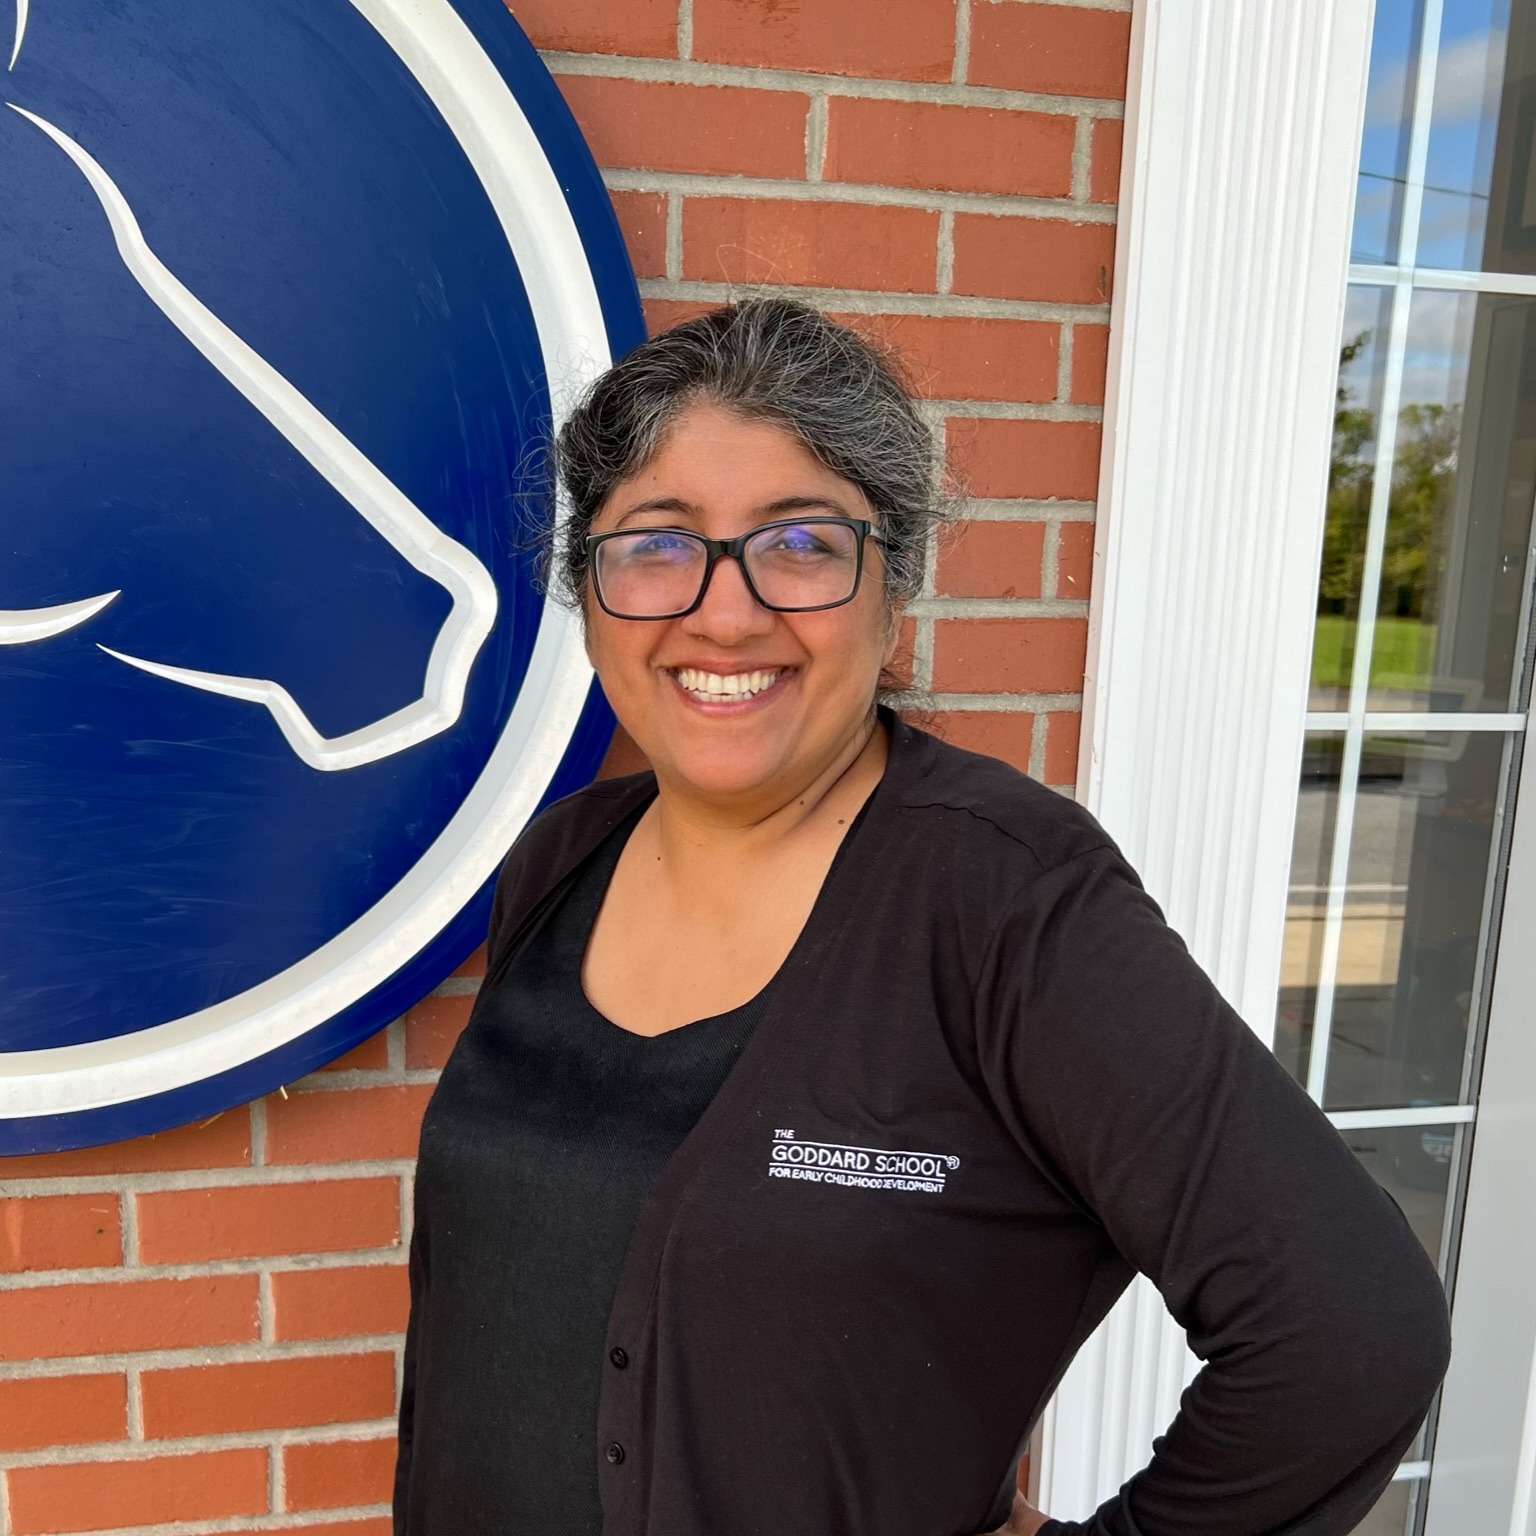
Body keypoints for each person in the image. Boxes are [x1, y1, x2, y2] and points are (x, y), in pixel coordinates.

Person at [393, 298, 1450, 1536]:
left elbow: (1349, 1335)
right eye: (658, 543)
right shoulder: (566, 859)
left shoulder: (1006, 898)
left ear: (893, 588)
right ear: (591, 585)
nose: (724, 613)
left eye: (801, 542)